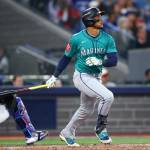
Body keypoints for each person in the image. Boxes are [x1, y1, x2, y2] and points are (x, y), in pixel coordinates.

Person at [46, 7, 118, 146]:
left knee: (86, 109)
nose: (101, 19)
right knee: (107, 96)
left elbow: (113, 61)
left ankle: (67, 132)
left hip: (96, 77)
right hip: (82, 76)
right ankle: (100, 128)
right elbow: (66, 58)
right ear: (90, 20)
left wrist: (100, 61)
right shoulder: (77, 38)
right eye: (98, 17)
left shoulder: (107, 38)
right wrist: (54, 76)